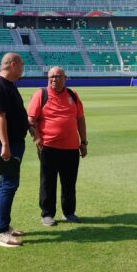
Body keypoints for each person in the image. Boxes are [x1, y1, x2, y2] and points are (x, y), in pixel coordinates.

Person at [0, 52, 35, 248]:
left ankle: (3, 225)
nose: (23, 68)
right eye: (21, 64)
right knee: (8, 184)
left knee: (7, 184)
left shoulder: (8, 86)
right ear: (13, 64)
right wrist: (5, 145)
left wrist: (30, 128)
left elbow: (17, 114)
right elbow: (0, 117)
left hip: (13, 142)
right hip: (5, 144)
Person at [28, 66, 88, 226]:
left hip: (71, 148)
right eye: (51, 77)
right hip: (48, 147)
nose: (54, 80)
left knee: (69, 182)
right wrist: (37, 138)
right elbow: (30, 120)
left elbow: (80, 119)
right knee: (48, 182)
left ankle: (69, 212)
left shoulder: (73, 95)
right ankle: (47, 214)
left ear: (65, 78)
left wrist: (83, 142)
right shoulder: (41, 94)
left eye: (57, 77)